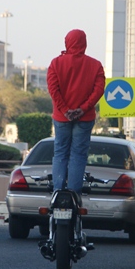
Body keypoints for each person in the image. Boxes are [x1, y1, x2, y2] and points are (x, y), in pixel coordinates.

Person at [47, 29, 105, 196]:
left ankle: (58, 191)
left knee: (60, 153)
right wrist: (83, 109)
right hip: (84, 118)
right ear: (84, 43)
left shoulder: (55, 64)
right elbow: (98, 90)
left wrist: (65, 110)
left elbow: (53, 90)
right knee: (78, 155)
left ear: (67, 42)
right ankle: (73, 193)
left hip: (61, 118)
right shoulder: (96, 65)